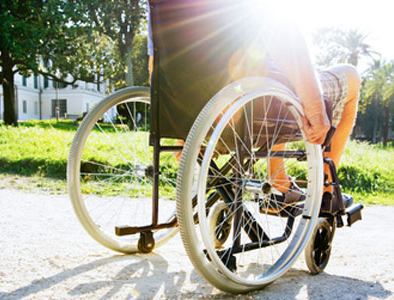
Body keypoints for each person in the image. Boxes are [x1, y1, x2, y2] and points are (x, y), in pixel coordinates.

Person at [147, 0, 360, 211]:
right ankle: (326, 193)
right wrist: (314, 105)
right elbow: (280, 32)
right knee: (350, 77)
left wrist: (185, 125)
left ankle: (280, 183)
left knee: (276, 76)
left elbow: (155, 68)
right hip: (243, 112)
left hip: (203, 118)